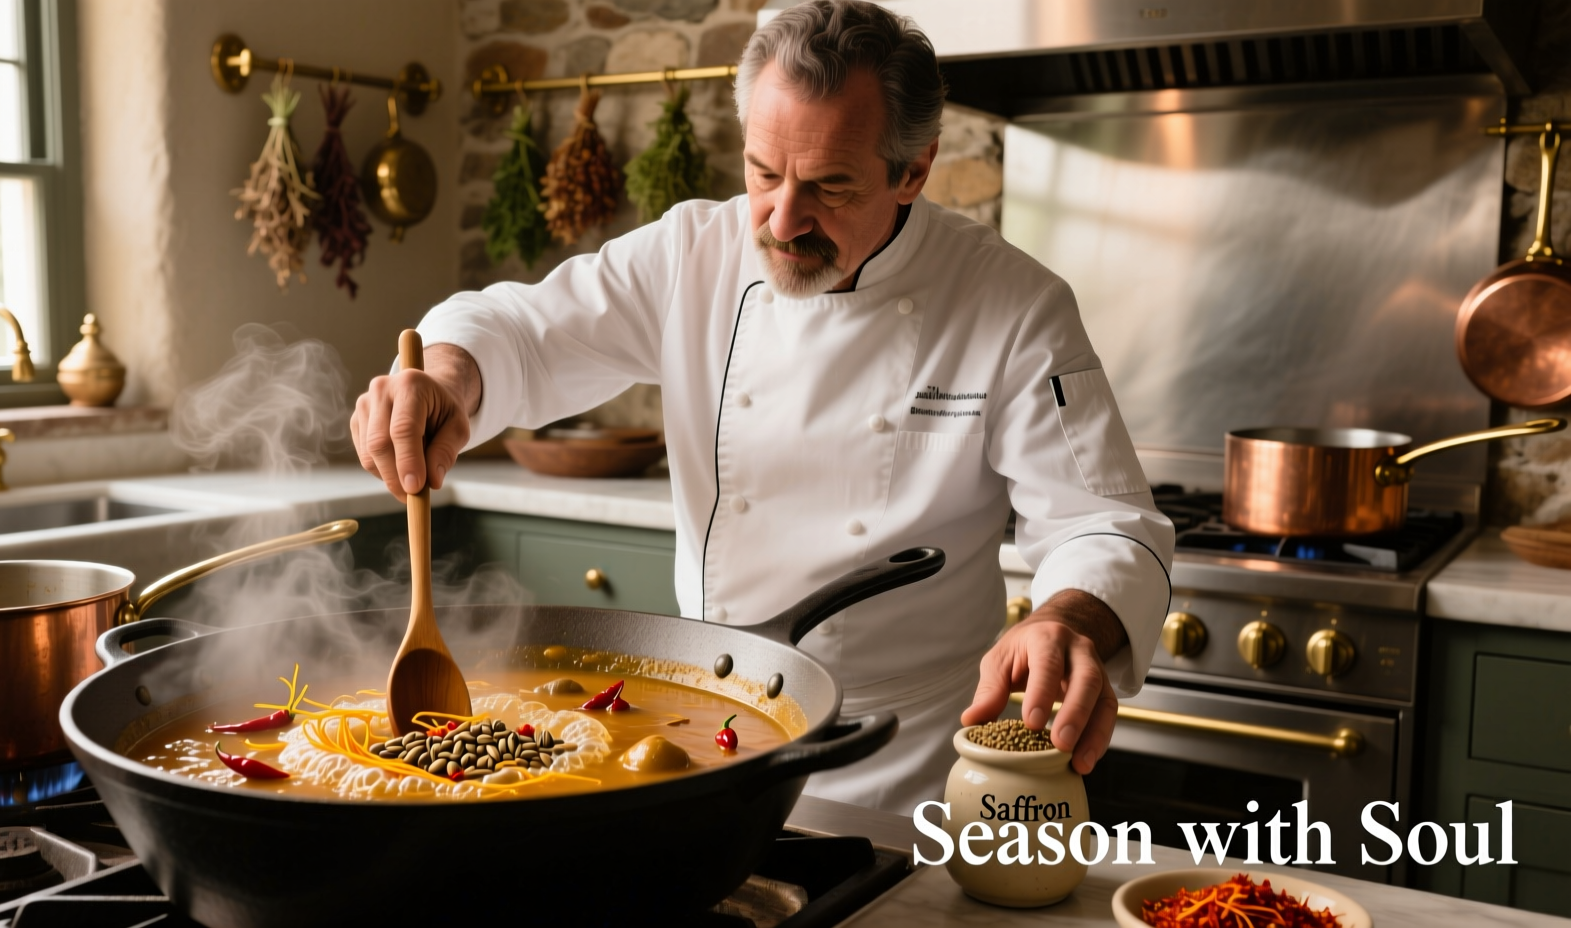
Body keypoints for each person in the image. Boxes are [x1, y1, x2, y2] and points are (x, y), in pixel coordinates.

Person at [351, 0, 1174, 814]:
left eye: (829, 186)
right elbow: (522, 331)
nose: (782, 220)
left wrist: (1070, 617)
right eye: (763, 172)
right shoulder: (692, 255)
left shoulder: (1013, 304)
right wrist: (446, 377)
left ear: (914, 170)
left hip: (904, 763)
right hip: (708, 735)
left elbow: (1103, 523)